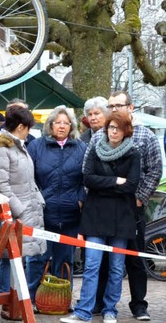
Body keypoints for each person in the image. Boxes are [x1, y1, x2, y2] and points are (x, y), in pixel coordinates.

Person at [85, 91, 161, 321]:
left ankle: (139, 305)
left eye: (119, 105)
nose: (114, 109)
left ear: (131, 107)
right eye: (111, 105)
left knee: (134, 257)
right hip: (104, 208)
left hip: (132, 207)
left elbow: (155, 169)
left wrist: (139, 197)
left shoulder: (145, 136)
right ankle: (100, 303)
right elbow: (87, 171)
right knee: (105, 259)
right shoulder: (99, 136)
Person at [61, 113, 141, 323]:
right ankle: (83, 311)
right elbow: (88, 178)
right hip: (95, 216)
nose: (113, 131)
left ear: (126, 131)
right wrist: (116, 181)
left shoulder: (133, 154)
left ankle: (109, 310)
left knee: (116, 267)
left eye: (118, 128)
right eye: (111, 127)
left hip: (121, 218)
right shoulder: (96, 149)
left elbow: (132, 185)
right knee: (91, 266)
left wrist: (103, 184)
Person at [26, 105, 86, 307]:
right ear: (50, 125)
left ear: (72, 126)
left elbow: (86, 178)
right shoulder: (36, 147)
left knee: (65, 260)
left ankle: (62, 300)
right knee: (37, 259)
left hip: (70, 215)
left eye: (66, 123)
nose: (61, 126)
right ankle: (31, 299)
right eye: (57, 122)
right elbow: (29, 178)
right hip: (43, 214)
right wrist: (37, 199)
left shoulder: (80, 148)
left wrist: (80, 198)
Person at [0, 105, 45, 318]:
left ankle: (14, 302)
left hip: (28, 209)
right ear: (20, 127)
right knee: (9, 258)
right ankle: (7, 302)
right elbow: (1, 184)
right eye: (27, 128)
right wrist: (19, 209)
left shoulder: (17, 146)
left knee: (18, 259)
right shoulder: (3, 148)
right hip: (17, 213)